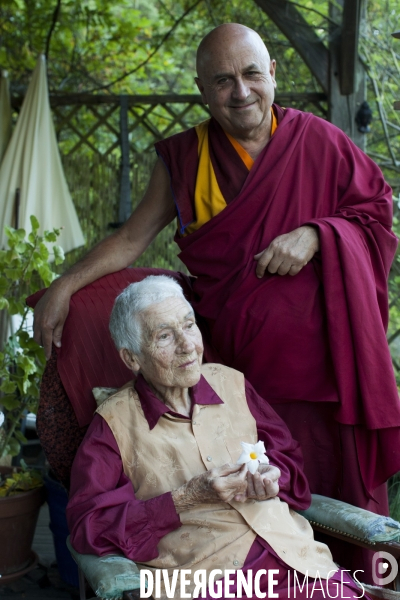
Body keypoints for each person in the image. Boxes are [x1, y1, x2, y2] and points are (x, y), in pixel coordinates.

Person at [35, 23, 400, 578]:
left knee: (321, 498)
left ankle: (326, 579)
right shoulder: (185, 158)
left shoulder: (320, 143)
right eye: (223, 80)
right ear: (203, 90)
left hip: (326, 374)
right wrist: (64, 284)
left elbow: (374, 217)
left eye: (252, 73)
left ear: (273, 73)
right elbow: (132, 238)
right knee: (234, 498)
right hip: (237, 378)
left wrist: (319, 234)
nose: (242, 91)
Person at [66, 275, 368, 600]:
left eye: (189, 325)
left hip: (300, 564)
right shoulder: (113, 425)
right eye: (165, 336)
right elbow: (89, 526)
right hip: (206, 584)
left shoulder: (232, 384)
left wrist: (274, 477)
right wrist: (185, 498)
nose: (188, 346)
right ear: (132, 359)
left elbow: (286, 458)